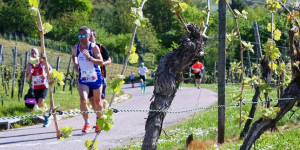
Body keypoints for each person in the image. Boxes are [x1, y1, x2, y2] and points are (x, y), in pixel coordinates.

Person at [72, 26, 104, 133]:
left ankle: (99, 121)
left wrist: (90, 58)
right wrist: (76, 64)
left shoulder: (94, 47)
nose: (81, 38)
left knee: (97, 102)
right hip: (83, 78)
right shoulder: (76, 48)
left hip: (95, 78)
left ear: (89, 36)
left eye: (84, 35)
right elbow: (73, 56)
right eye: (79, 36)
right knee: (83, 100)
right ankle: (86, 123)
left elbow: (101, 62)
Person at [88, 29, 111, 130]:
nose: (90, 37)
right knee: (92, 100)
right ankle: (102, 114)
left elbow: (109, 60)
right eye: (88, 36)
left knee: (99, 100)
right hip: (89, 78)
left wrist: (100, 64)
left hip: (100, 76)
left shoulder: (101, 47)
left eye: (92, 36)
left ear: (95, 37)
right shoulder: (84, 48)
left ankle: (99, 122)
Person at [25, 48, 53, 127]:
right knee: (38, 104)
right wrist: (30, 74)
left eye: (35, 53)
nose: (33, 55)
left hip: (44, 86)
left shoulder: (42, 62)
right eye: (32, 53)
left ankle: (47, 119)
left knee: (40, 102)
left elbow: (50, 69)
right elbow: (27, 79)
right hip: (35, 87)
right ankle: (48, 114)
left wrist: (46, 75)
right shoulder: (29, 65)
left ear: (38, 54)